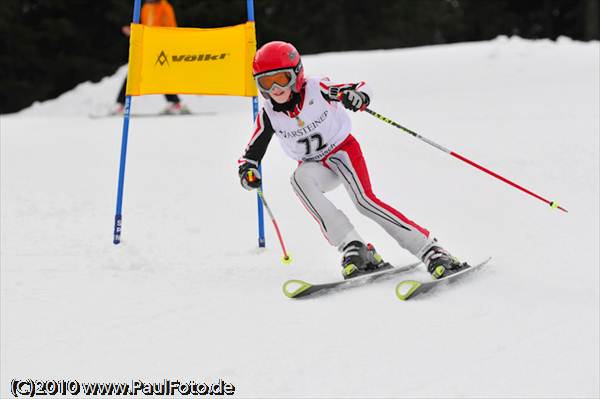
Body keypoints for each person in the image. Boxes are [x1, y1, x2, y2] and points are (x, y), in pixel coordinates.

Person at [238, 41, 469, 280]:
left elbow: (359, 87)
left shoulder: (317, 88)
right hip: (315, 166)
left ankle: (430, 249)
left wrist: (357, 96)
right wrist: (248, 170)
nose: (275, 88)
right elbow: (251, 153)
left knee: (364, 201)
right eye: (266, 82)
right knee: (299, 179)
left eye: (282, 79)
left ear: (297, 74)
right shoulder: (269, 113)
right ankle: (353, 246)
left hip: (342, 152)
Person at [112, 0, 189, 115]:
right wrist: (133, 31)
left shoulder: (164, 7)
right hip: (148, 47)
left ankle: (175, 104)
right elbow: (143, 27)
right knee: (136, 72)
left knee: (150, 73)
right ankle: (122, 105)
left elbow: (171, 29)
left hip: (160, 48)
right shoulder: (146, 7)